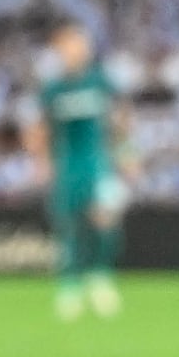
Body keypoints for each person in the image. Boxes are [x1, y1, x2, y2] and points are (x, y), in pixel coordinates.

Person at [27, 18, 122, 320]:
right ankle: (69, 286)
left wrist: (128, 153)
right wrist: (41, 162)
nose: (74, 50)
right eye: (67, 45)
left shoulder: (99, 82)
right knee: (69, 227)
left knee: (104, 221)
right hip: (67, 165)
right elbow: (38, 131)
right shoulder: (53, 90)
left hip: (98, 163)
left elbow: (120, 121)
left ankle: (99, 275)